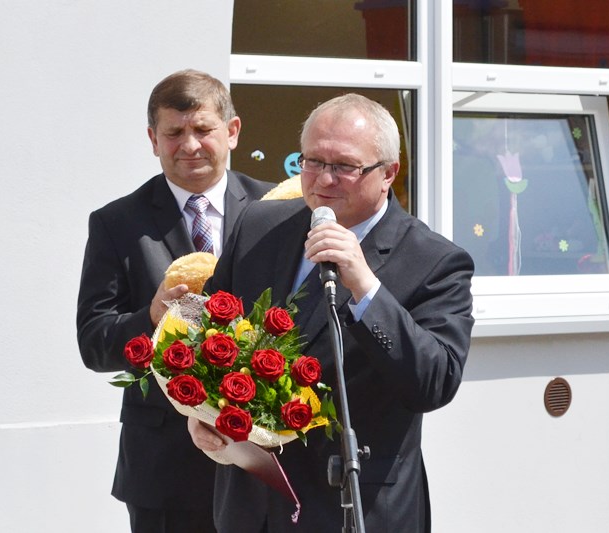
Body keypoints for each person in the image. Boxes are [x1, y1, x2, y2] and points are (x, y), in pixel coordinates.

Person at [188, 93, 475, 532]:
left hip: (354, 506)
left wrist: (366, 286)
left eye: (344, 166)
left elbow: (434, 383)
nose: (324, 178)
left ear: (388, 173)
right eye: (312, 161)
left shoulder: (435, 261)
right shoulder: (258, 226)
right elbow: (206, 335)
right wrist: (200, 414)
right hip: (250, 506)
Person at [76, 69, 274, 532]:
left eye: (203, 129)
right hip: (165, 472)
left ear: (232, 131)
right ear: (153, 139)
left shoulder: (277, 209)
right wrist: (150, 317)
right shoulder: (116, 223)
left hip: (262, 460)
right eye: (174, 133)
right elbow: (94, 343)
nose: (190, 145)